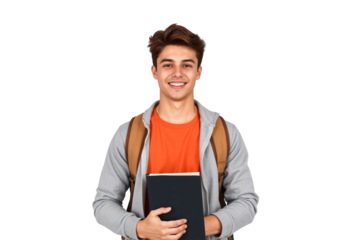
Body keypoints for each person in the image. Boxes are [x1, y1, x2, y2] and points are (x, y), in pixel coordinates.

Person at [91, 21, 260, 240]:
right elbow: (102, 204)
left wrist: (202, 226)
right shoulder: (127, 133)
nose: (177, 73)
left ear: (199, 72)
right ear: (154, 72)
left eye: (187, 65)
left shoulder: (227, 132)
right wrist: (140, 228)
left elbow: (248, 203)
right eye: (168, 65)